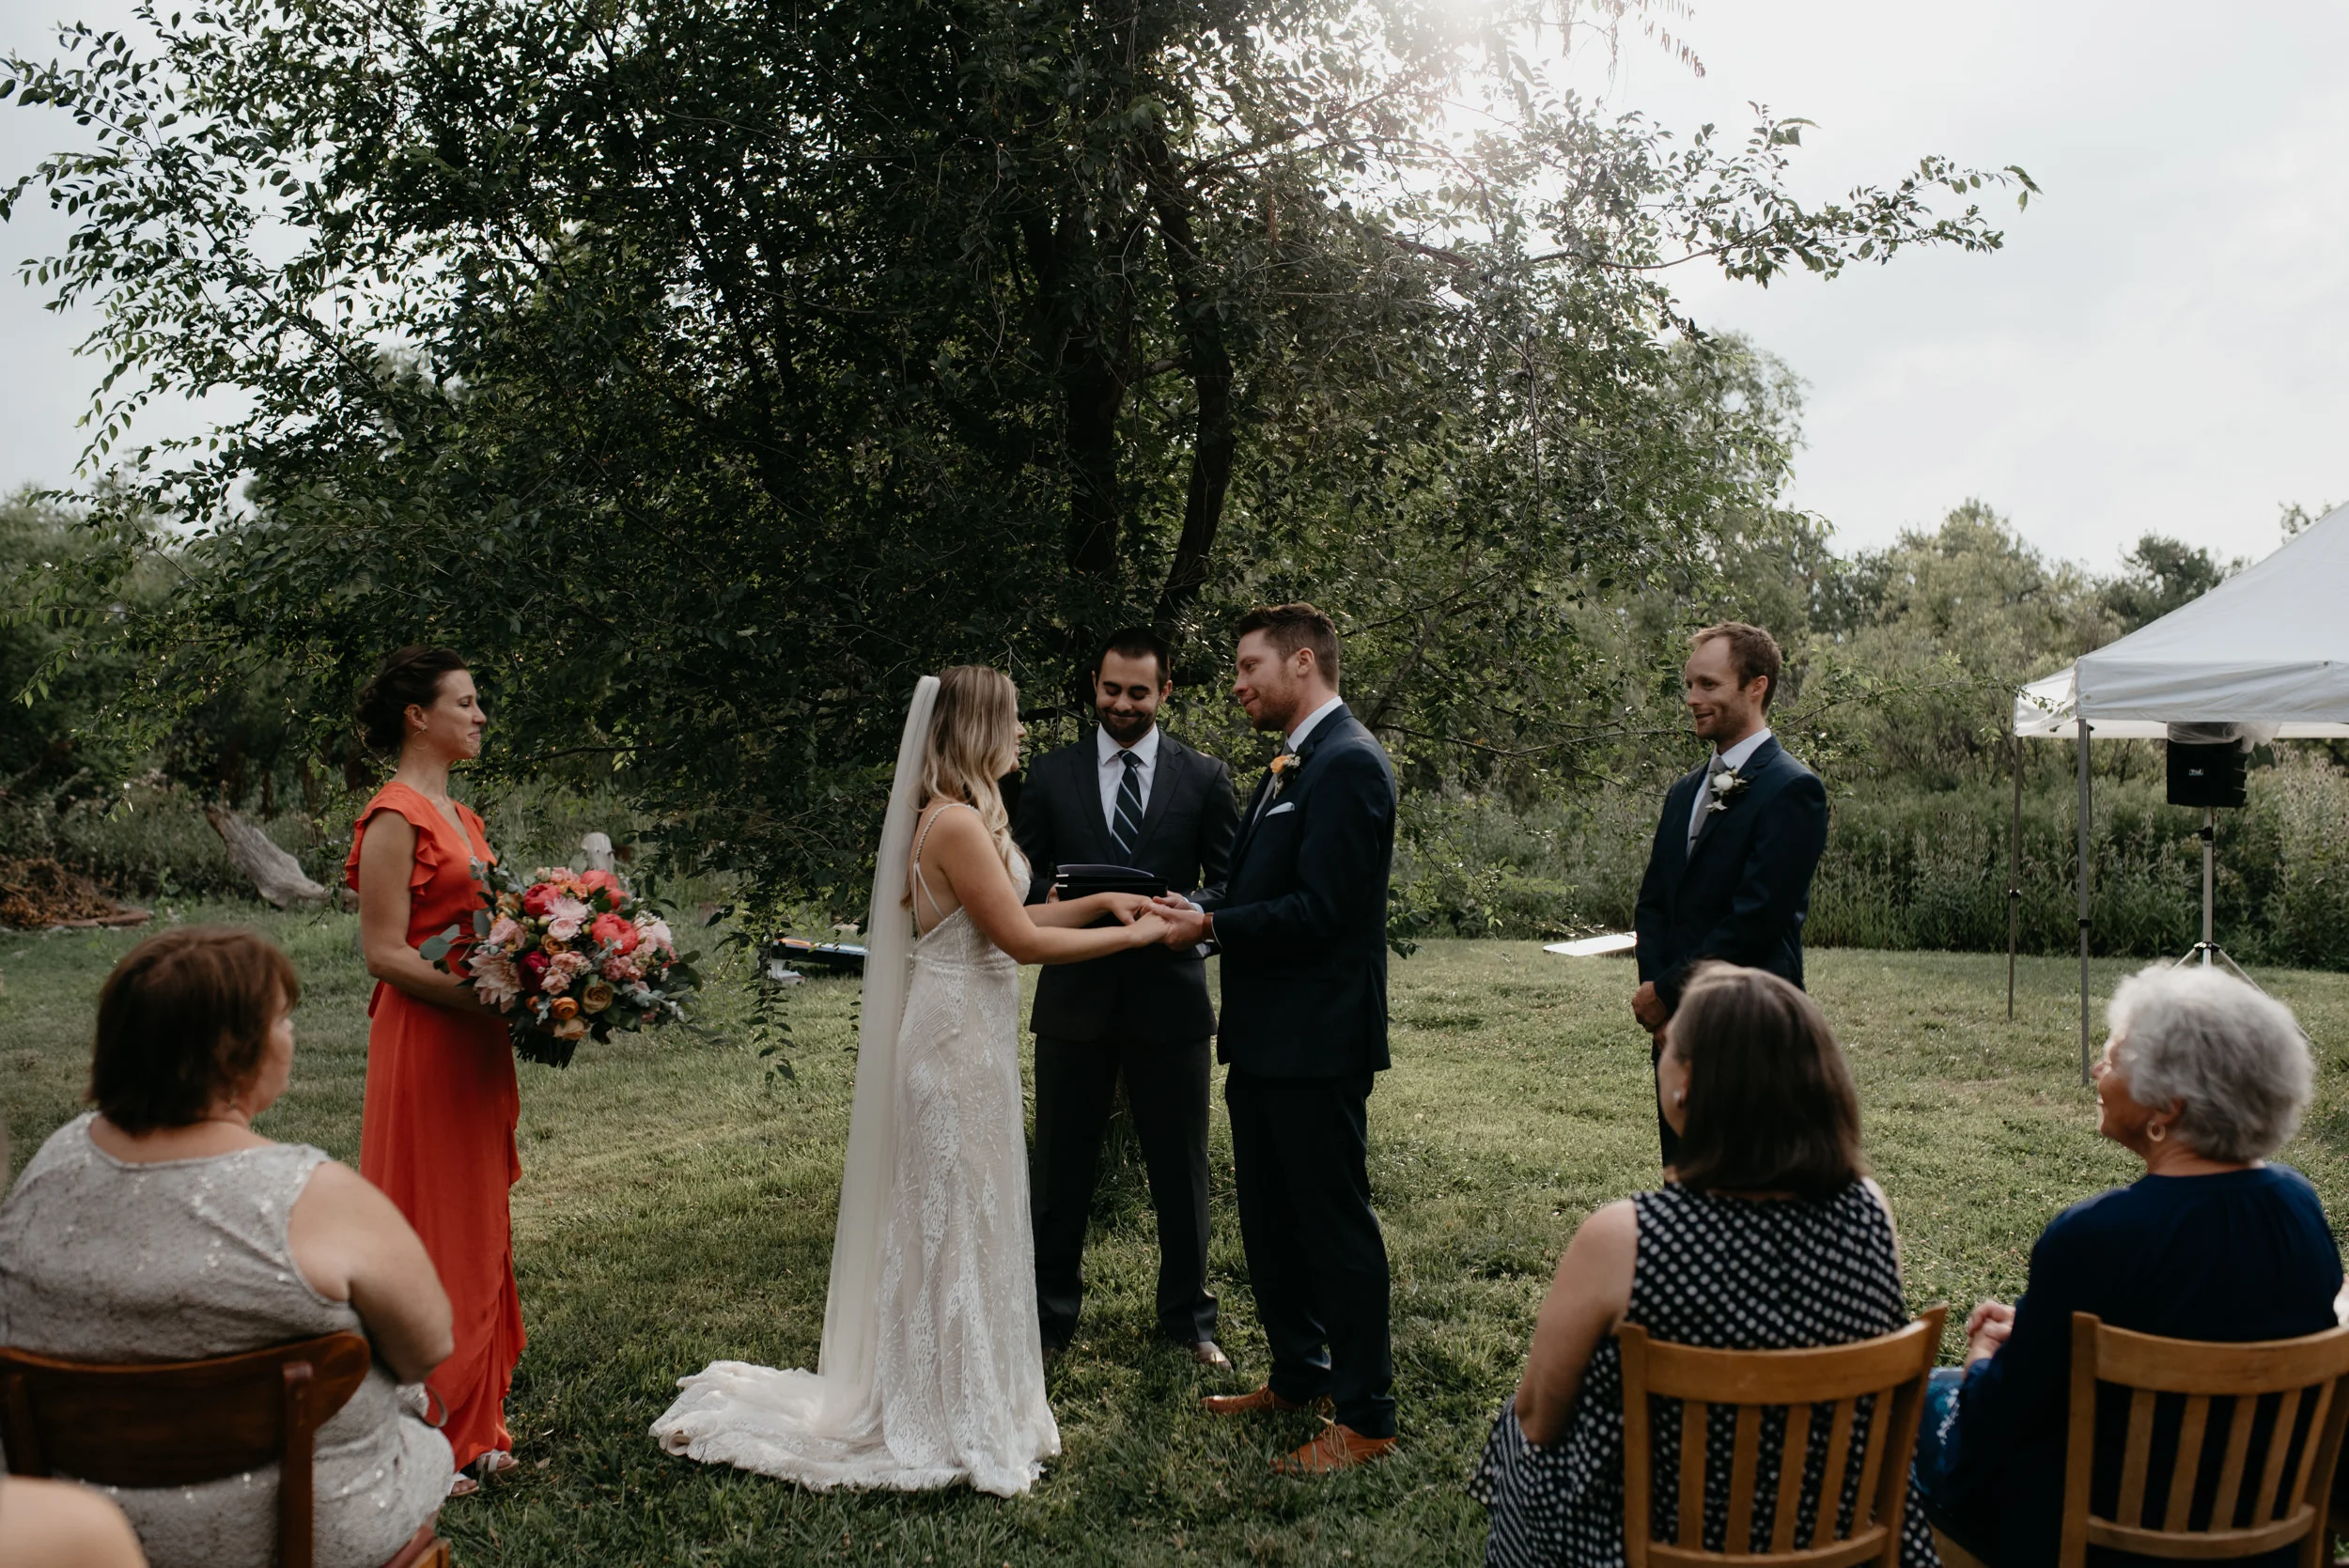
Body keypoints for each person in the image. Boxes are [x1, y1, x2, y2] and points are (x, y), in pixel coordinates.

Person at [651, 665, 1172, 1496]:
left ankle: (973, 1392)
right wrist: (1135, 940)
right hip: (952, 1043)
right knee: (952, 1219)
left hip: (975, 1038)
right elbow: (1019, 943)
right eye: (1011, 719)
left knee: (977, 1212)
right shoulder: (956, 823)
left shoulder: (964, 818)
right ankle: (941, 1406)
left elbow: (1016, 916)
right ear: (976, 727)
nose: (1024, 735)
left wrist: (1106, 902)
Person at [0, 927, 454, 1568]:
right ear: (233, 1054)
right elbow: (426, 1349)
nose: (290, 1035)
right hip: (306, 1533)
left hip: (75, 1531)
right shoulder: (317, 1196)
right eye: (282, 1019)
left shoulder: (47, 1169)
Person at [1470, 964, 1935, 1568]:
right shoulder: (1871, 1213)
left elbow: (1538, 1420)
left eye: (1668, 1048)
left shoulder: (1624, 1239)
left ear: (1686, 1083)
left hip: (1656, 1547)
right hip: (1822, 1542)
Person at [1912, 965, 2337, 1568]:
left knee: (1917, 1408)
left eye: (2113, 1058)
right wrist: (2040, 1331)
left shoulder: (2093, 1237)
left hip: (2094, 1544)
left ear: (2167, 1104)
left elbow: (1981, 1446)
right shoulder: (2299, 1208)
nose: (2097, 1071)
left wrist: (1984, 1355)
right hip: (2256, 1533)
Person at [1153, 602, 1400, 1475]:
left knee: (1333, 1226)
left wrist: (1213, 924)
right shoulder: (1293, 760)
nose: (1238, 682)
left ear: (1303, 662)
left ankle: (1367, 1414)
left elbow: (1324, 912)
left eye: (1249, 665)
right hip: (1263, 1038)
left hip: (1319, 1039)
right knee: (1269, 1218)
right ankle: (1302, 1374)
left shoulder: (1351, 765)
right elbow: (1262, 880)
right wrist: (1205, 909)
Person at [1011, 627, 1241, 1368]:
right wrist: (1058, 895)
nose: (1121, 704)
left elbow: (1234, 881)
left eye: (1138, 692)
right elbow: (1021, 879)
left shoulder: (1204, 777)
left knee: (1182, 1168)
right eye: (1110, 689)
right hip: (1074, 997)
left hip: (1170, 1001)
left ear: (1164, 692)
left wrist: (1188, 913)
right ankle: (1049, 1321)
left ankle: (1188, 1319)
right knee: (1060, 1170)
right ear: (1095, 683)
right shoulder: (1047, 775)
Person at [344, 644, 521, 1493]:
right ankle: (423, 1431)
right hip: (426, 1037)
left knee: (479, 1217)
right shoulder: (394, 815)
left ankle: (477, 1419)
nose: (480, 715)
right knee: (430, 1216)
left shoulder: (467, 818)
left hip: (476, 1040)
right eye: (467, 700)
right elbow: (383, 953)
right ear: (420, 716)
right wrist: (481, 996)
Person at [1631, 621, 1828, 1167]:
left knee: (1751, 1183)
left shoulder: (1793, 790)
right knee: (1684, 1174)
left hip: (1750, 1027)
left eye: (1709, 685)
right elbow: (1654, 903)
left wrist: (1669, 993)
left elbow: (1755, 921)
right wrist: (1661, 1003)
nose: (1692, 699)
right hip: (1675, 1031)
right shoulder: (1683, 792)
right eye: (1690, 685)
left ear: (1756, 687)